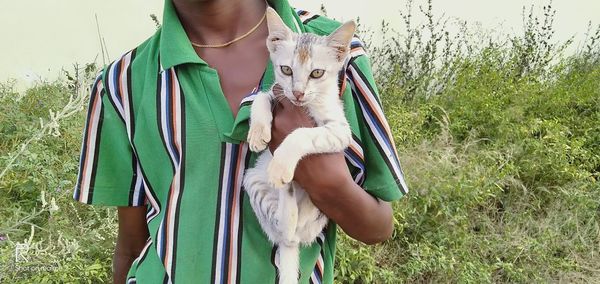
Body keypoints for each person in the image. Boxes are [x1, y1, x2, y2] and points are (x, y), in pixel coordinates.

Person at [72, 0, 409, 283]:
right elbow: (131, 245)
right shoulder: (121, 83)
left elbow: (378, 226)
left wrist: (328, 180)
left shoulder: (336, 52)